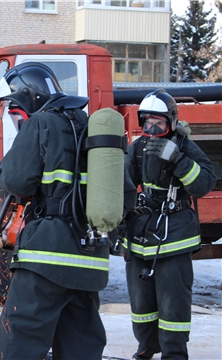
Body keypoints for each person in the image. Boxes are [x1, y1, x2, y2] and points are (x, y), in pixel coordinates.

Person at [0, 62, 134, 359]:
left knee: (20, 338)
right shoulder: (93, 128)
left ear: (30, 98)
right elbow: (127, 195)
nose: (18, 118)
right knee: (80, 343)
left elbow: (16, 181)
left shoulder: (40, 123)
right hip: (90, 259)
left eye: (16, 110)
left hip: (46, 257)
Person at [123, 89, 216, 359]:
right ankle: (146, 345)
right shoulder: (137, 147)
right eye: (147, 123)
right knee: (141, 301)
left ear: (172, 122)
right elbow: (123, 185)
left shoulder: (184, 147)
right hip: (141, 230)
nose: (152, 129)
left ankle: (174, 353)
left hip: (175, 233)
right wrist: (121, 222)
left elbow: (204, 184)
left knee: (173, 300)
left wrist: (177, 159)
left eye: (159, 123)